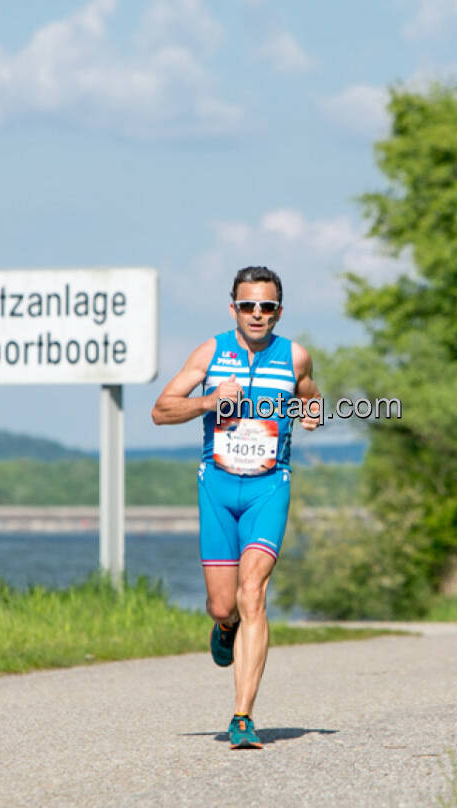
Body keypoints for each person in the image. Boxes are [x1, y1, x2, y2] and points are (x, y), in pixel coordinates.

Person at [150, 266, 322, 750]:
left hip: (270, 487)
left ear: (279, 312)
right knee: (225, 605)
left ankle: (242, 715)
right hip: (219, 489)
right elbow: (161, 411)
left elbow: (312, 399)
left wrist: (311, 415)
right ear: (234, 309)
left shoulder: (295, 356)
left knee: (254, 594)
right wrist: (208, 401)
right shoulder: (211, 352)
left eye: (267, 307)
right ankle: (223, 627)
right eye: (248, 305)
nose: (257, 315)